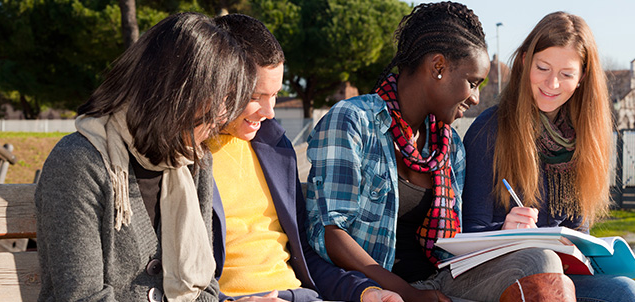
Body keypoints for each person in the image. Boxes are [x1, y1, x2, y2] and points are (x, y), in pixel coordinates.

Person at [304, 2, 576, 301]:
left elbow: (454, 247)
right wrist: (407, 293)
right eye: (472, 83)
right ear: (438, 67)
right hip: (372, 288)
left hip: (440, 281)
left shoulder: (449, 146)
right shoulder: (353, 121)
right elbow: (332, 234)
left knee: (542, 261)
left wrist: (510, 238)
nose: (474, 98)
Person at [34, 12, 255, 301]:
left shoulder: (193, 160)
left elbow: (204, 288)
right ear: (177, 92)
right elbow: (82, 296)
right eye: (220, 100)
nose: (223, 117)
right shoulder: (79, 163)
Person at [208, 14, 402, 302]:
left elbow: (305, 256)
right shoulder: (182, 157)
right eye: (255, 96)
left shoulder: (276, 146)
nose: (270, 111)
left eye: (274, 94)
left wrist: (366, 292)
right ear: (218, 82)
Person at [462, 11, 635, 301]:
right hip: (498, 275)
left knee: (628, 292)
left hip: (561, 275)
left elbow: (579, 230)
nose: (552, 84)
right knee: (545, 273)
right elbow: (468, 232)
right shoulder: (489, 130)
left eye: (566, 74)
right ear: (525, 61)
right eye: (543, 68)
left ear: (582, 77)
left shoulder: (583, 140)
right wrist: (505, 230)